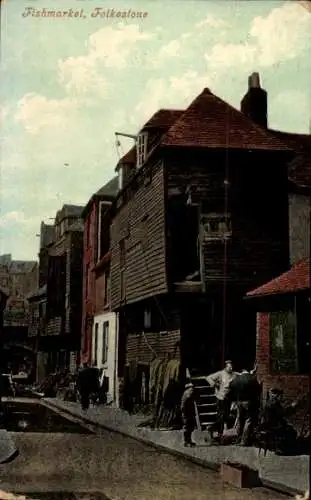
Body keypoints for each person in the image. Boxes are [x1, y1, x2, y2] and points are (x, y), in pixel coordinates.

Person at [206, 360, 238, 443]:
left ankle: (216, 431)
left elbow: (242, 375)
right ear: (225, 367)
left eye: (231, 367)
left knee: (226, 416)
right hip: (221, 398)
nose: (231, 368)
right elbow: (208, 378)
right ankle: (212, 429)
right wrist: (215, 384)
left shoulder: (234, 374)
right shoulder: (221, 373)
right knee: (221, 416)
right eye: (229, 367)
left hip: (228, 398)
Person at [259, 388, 299, 454]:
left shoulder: (268, 402)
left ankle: (280, 447)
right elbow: (283, 413)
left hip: (267, 424)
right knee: (292, 432)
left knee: (289, 428)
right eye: (281, 396)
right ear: (276, 396)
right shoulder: (274, 404)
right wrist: (292, 406)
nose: (281, 398)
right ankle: (283, 449)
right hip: (274, 426)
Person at [227, 368, 261, 446]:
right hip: (249, 401)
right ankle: (244, 441)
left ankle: (238, 438)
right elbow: (258, 390)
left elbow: (230, 386)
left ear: (241, 371)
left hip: (239, 402)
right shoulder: (252, 378)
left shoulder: (236, 379)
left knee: (240, 419)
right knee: (248, 420)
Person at [180, 382, 196, 447]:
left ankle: (189, 440)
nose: (192, 390)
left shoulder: (189, 396)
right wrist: (184, 413)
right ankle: (186, 441)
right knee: (187, 427)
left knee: (191, 427)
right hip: (186, 413)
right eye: (190, 389)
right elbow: (182, 406)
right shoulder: (186, 396)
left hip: (190, 413)